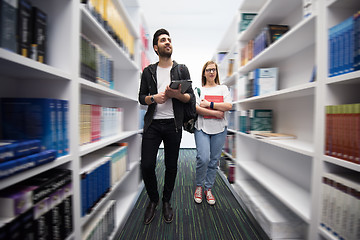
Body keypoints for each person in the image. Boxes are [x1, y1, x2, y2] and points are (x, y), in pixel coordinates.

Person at [138, 28, 194, 224]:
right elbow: (141, 99)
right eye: (163, 40)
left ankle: (166, 200)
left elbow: (190, 99)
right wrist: (154, 98)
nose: (167, 42)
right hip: (153, 125)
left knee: (171, 166)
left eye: (169, 39)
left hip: (174, 125)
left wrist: (175, 95)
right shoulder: (148, 72)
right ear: (156, 47)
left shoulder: (181, 69)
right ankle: (153, 199)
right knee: (146, 165)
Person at [193, 61, 232, 205]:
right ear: (204, 73)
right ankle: (199, 186)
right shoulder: (198, 90)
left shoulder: (223, 88)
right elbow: (196, 108)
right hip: (202, 127)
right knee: (203, 158)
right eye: (208, 70)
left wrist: (209, 104)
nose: (211, 72)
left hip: (220, 129)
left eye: (214, 70)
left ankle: (208, 189)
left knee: (214, 161)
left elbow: (228, 106)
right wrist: (216, 112)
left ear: (216, 72)